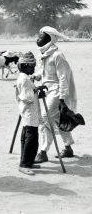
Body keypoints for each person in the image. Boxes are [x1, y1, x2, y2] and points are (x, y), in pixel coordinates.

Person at [34, 26, 77, 163]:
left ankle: (43, 151)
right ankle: (68, 147)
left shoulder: (57, 55)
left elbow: (64, 78)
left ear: (49, 39)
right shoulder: (43, 54)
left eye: (41, 36)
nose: (38, 38)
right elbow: (43, 74)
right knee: (57, 119)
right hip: (47, 91)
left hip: (57, 91)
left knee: (46, 118)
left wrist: (63, 98)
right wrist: (33, 77)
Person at [15, 51, 44, 175]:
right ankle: (24, 164)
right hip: (29, 112)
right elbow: (28, 97)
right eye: (32, 66)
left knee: (27, 136)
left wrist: (36, 89)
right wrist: (37, 89)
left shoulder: (24, 77)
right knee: (31, 138)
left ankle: (27, 161)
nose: (33, 68)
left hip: (27, 112)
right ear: (26, 66)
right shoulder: (25, 79)